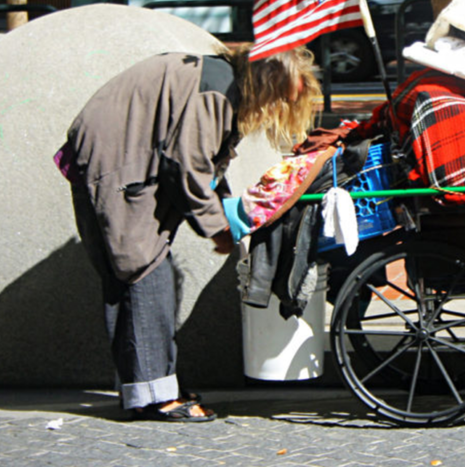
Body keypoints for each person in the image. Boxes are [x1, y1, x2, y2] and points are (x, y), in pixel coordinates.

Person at [55, 45, 321, 421]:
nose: (279, 110)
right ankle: (156, 398)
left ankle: (145, 389)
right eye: (282, 98)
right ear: (267, 85)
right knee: (146, 273)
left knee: (131, 276)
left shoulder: (223, 84)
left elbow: (204, 163)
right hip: (115, 162)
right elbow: (190, 167)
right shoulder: (217, 92)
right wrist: (217, 229)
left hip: (113, 156)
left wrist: (225, 214)